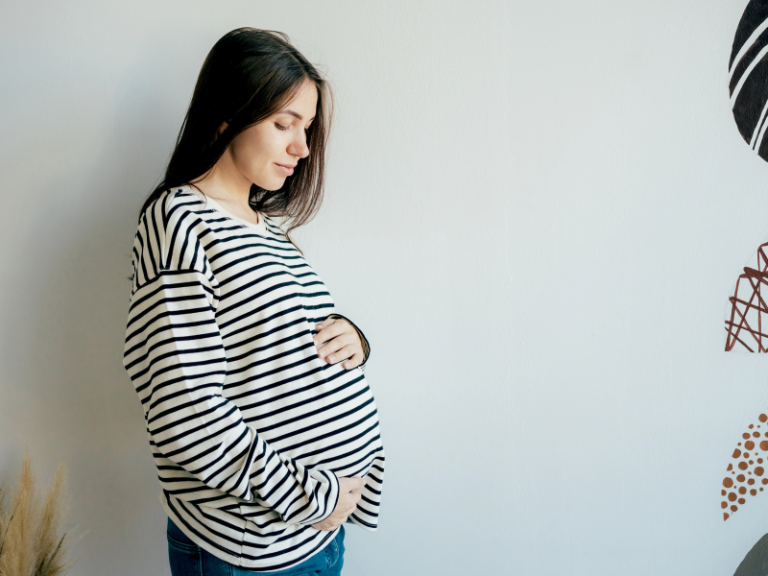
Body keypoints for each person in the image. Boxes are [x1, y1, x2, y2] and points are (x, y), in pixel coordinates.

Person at [121, 27, 385, 575]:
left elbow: (271, 345)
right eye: (283, 124)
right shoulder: (178, 220)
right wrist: (312, 496)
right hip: (251, 548)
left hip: (311, 537)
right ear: (226, 114)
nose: (302, 147)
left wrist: (354, 339)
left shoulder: (267, 230)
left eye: (307, 128)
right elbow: (185, 412)